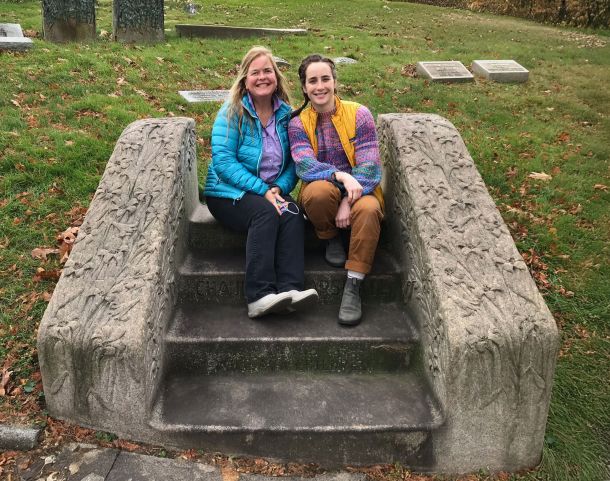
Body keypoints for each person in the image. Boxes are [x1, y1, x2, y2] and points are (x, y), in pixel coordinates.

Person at [204, 46, 318, 319]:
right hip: (227, 192)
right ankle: (258, 295)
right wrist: (263, 190)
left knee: (292, 212)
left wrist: (279, 187)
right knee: (266, 213)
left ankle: (290, 289)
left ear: (276, 78)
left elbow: (293, 162)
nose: (262, 77)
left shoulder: (286, 115)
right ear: (245, 80)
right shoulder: (232, 112)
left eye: (268, 71)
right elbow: (223, 162)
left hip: (269, 190)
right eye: (255, 73)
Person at [288, 54, 384, 326]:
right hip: (324, 188)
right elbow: (305, 165)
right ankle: (329, 236)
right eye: (313, 81)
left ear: (334, 82)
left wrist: (347, 201)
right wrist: (340, 175)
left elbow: (369, 166)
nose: (320, 86)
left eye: (325, 79)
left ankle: (353, 284)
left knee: (369, 210)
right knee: (318, 194)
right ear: (304, 87)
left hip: (362, 190)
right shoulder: (297, 122)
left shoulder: (359, 114)